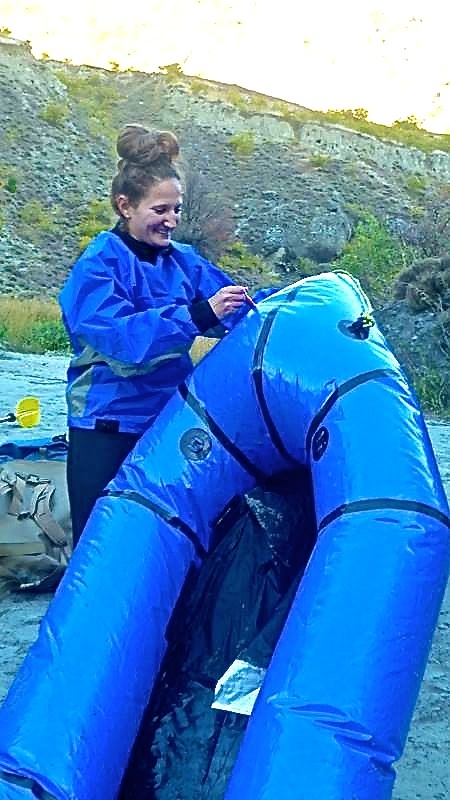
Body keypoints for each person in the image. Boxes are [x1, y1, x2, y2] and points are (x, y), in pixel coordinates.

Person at [59, 123, 254, 547]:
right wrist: (199, 315)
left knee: (165, 538)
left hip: (168, 418)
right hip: (108, 423)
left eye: (177, 210)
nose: (172, 221)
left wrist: (293, 302)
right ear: (125, 206)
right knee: (98, 544)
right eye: (160, 209)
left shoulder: (185, 261)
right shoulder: (97, 265)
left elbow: (239, 309)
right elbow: (123, 344)